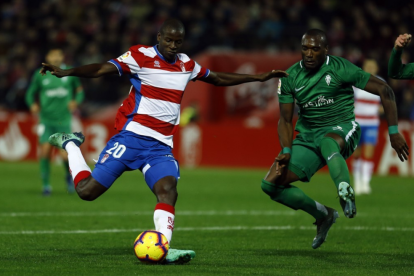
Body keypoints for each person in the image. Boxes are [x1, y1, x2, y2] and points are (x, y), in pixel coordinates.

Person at [41, 19, 287, 264]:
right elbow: (101, 69)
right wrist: (67, 72)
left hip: (160, 146)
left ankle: (162, 248)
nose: (172, 45)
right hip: (132, 137)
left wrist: (259, 77)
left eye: (177, 42)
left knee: (168, 190)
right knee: (87, 192)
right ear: (158, 37)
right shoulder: (140, 55)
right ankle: (71, 144)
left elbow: (218, 78)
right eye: (168, 40)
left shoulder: (186, 64)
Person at [261, 29, 409, 250]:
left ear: (326, 50)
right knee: (271, 185)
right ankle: (323, 215)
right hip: (308, 136)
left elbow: (385, 89)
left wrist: (394, 131)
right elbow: (284, 120)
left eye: (315, 48)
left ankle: (344, 188)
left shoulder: (341, 67)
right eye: (305, 48)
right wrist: (287, 150)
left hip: (342, 128)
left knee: (328, 142)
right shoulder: (290, 76)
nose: (309, 53)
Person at [25, 48, 84, 196]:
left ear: (62, 57)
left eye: (58, 55)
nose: (56, 58)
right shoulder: (40, 74)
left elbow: (80, 90)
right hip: (46, 119)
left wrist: (76, 102)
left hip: (63, 120)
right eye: (53, 55)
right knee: (44, 152)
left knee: (64, 155)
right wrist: (32, 104)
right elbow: (30, 92)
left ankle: (68, 177)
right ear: (48, 57)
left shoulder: (69, 73)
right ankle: (46, 186)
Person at [352, 59, 385, 195]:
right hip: (357, 123)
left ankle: (366, 182)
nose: (370, 68)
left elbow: (386, 100)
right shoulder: (357, 82)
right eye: (368, 66)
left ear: (376, 68)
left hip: (372, 123)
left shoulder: (381, 82)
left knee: (369, 152)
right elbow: (348, 99)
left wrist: (384, 108)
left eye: (373, 66)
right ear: (364, 68)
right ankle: (357, 181)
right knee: (356, 153)